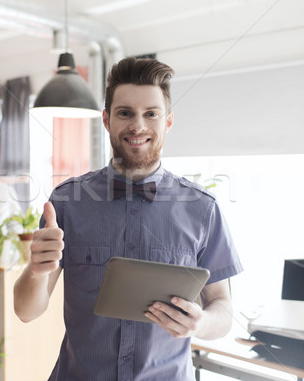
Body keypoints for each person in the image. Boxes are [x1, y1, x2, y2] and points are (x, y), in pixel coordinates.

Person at [13, 57, 243, 380]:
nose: (138, 126)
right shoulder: (66, 203)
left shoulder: (202, 209)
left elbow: (223, 308)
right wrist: (36, 271)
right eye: (125, 113)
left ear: (169, 121)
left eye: (151, 114)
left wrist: (201, 323)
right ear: (106, 120)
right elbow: (26, 311)